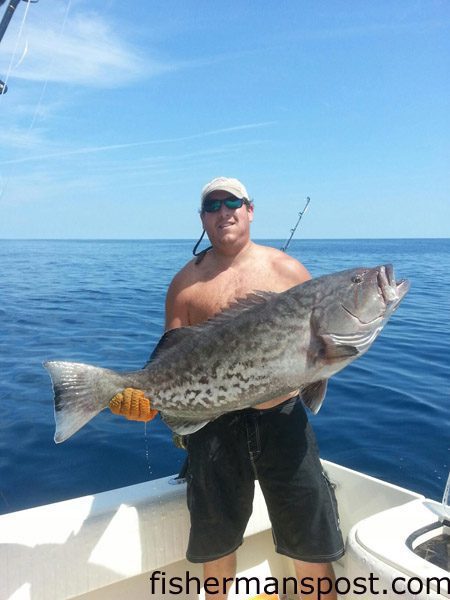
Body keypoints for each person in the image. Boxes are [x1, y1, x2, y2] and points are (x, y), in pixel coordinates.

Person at [110, 177, 344, 600]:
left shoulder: (287, 271)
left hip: (283, 420)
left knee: (311, 538)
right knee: (215, 544)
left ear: (250, 209)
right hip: (214, 428)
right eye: (213, 206)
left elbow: (319, 353)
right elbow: (167, 366)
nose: (224, 212)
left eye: (232, 202)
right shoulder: (185, 285)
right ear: (202, 218)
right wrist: (145, 404)